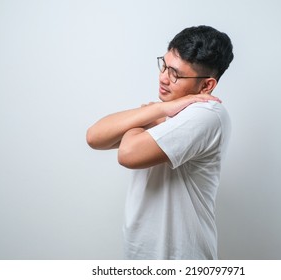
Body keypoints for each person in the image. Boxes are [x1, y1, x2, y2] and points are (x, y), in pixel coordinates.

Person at [86, 25, 234, 259]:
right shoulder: (169, 109)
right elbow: (94, 137)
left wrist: (151, 115)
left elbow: (128, 154)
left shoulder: (207, 114)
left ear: (207, 86)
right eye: (163, 65)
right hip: (140, 257)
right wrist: (160, 109)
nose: (163, 77)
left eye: (175, 73)